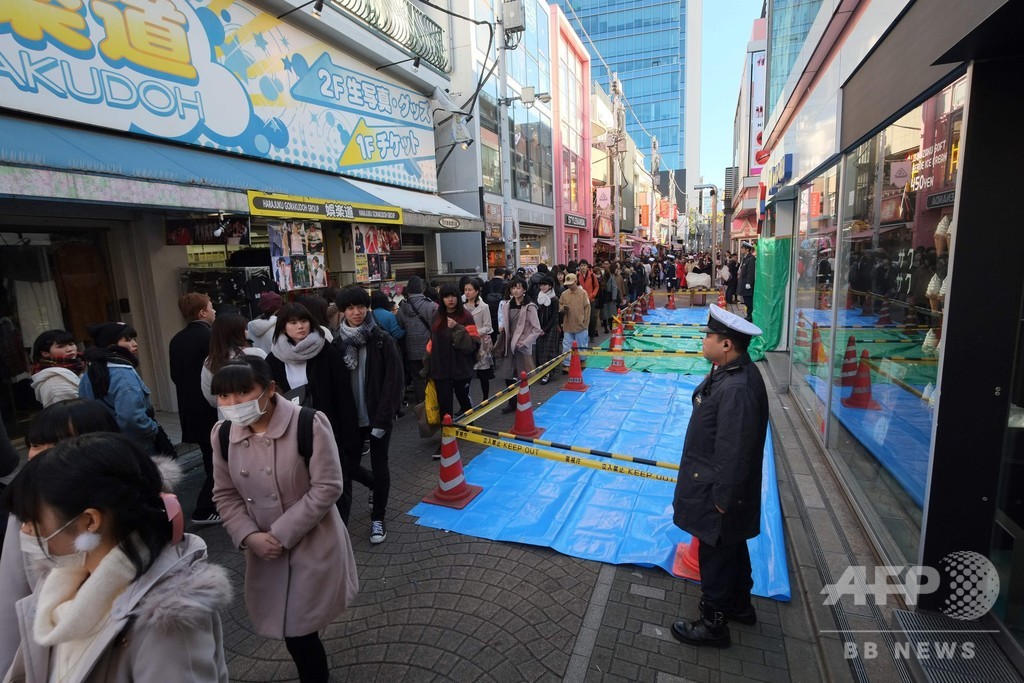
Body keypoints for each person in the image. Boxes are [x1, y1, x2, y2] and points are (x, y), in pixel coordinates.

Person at [3, 433, 232, 681]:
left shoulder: (166, 624)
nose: (24, 530)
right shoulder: (61, 582)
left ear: (89, 521)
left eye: (33, 520)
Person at [212, 356, 358, 682]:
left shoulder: (308, 423)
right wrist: (249, 536)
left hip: (312, 542)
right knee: (297, 632)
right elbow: (225, 494)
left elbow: (328, 487)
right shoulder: (222, 434)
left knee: (299, 633)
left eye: (242, 393)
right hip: (264, 551)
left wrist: (279, 534)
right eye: (223, 396)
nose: (232, 404)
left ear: (270, 389)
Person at [0, 398, 128, 673]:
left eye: (59, 444)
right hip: (55, 656)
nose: (39, 454)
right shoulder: (26, 514)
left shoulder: (138, 504)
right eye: (35, 444)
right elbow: (10, 600)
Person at [671, 305, 769, 649]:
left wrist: (723, 499)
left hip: (718, 488)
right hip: (714, 481)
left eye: (709, 336)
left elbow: (734, 450)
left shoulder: (737, 388)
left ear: (726, 344)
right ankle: (740, 605)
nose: (704, 341)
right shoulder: (730, 373)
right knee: (732, 545)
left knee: (715, 552)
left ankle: (714, 624)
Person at [333, 286, 403, 543]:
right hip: (350, 419)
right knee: (346, 466)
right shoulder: (337, 343)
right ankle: (370, 487)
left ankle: (378, 518)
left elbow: (394, 382)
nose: (356, 312)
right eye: (350, 308)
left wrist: (383, 419)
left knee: (380, 464)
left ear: (367, 307)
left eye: (360, 306)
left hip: (376, 416)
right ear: (343, 311)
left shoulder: (382, 339)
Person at [266, 303, 360, 462]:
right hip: (293, 431)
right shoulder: (274, 359)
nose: (300, 326)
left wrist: (350, 436)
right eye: (293, 322)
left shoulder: (326, 351)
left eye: (304, 321)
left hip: (327, 427)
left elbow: (343, 394)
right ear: (283, 327)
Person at [79, 321, 174, 457]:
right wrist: (153, 429)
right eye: (128, 340)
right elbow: (132, 418)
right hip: (136, 446)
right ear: (110, 344)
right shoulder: (123, 375)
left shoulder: (90, 373)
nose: (135, 344)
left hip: (106, 446)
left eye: (134, 339)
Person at [169, 292, 220, 526]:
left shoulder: (176, 339)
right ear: (202, 312)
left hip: (189, 409)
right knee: (218, 458)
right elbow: (217, 376)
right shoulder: (209, 337)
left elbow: (175, 376)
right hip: (209, 408)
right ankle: (205, 507)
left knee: (209, 455)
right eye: (211, 307)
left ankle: (216, 502)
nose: (214, 310)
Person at [426, 283, 478, 428]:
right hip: (440, 368)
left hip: (460, 367)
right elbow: (432, 340)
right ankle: (447, 436)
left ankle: (469, 426)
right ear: (441, 299)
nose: (450, 299)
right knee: (445, 404)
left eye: (453, 296)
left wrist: (457, 327)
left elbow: (472, 345)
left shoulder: (466, 316)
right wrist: (428, 362)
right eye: (446, 296)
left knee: (463, 399)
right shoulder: (436, 315)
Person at [495, 277, 542, 411]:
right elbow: (504, 321)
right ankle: (512, 403)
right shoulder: (507, 305)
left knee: (524, 375)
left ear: (525, 290)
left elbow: (536, 328)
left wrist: (525, 342)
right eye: (513, 288)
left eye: (518, 287)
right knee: (508, 374)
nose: (515, 291)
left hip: (522, 346)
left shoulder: (530, 307)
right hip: (509, 344)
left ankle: (524, 402)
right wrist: (502, 327)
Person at [201, 313, 268, 406]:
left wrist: (225, 399)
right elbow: (269, 383)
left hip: (226, 413)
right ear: (237, 332)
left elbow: (210, 396)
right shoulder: (256, 353)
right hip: (257, 410)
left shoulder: (210, 360)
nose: (247, 332)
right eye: (244, 329)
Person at [396, 276, 437, 405]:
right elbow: (435, 327)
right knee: (432, 375)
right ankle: (433, 402)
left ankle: (421, 403)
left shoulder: (402, 308)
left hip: (411, 348)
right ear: (423, 288)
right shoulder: (430, 305)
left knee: (417, 378)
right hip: (429, 348)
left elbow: (400, 326)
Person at [29, 329, 84, 407]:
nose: (70, 349)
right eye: (60, 346)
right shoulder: (56, 382)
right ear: (45, 354)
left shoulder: (76, 368)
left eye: (71, 344)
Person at [463, 277, 495, 399]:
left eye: (470, 290)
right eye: (465, 289)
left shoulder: (484, 306)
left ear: (477, 291)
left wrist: (473, 332)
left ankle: (485, 398)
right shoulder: (462, 307)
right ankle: (465, 401)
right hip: (466, 343)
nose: (467, 292)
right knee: (466, 373)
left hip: (481, 344)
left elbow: (488, 326)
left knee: (483, 374)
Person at [558, 273, 590, 373]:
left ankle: (582, 360)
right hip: (568, 323)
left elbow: (587, 308)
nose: (569, 286)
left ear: (576, 281)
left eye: (571, 284)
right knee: (567, 345)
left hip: (581, 324)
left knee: (581, 343)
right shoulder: (564, 294)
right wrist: (563, 309)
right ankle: (567, 364)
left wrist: (585, 323)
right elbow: (560, 306)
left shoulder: (583, 293)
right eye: (568, 284)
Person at [533, 274, 561, 384]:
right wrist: (538, 328)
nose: (542, 287)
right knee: (540, 351)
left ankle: (548, 373)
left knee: (548, 351)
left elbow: (555, 316)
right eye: (541, 285)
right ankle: (541, 372)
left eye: (545, 285)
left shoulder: (554, 299)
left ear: (550, 286)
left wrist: (546, 328)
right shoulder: (538, 298)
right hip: (539, 329)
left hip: (551, 328)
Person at [577, 260, 600, 339]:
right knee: (582, 318)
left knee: (592, 318)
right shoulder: (577, 276)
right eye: (581, 265)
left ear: (587, 266)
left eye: (584, 265)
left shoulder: (592, 275)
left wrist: (593, 295)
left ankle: (592, 335)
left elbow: (597, 286)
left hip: (591, 300)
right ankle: (584, 335)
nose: (583, 267)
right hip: (580, 301)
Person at [738, 241, 757, 321]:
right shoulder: (745, 258)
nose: (741, 249)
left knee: (748, 300)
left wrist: (749, 282)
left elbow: (750, 271)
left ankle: (750, 316)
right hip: (743, 282)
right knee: (745, 300)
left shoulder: (751, 259)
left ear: (747, 250)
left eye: (743, 248)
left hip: (747, 283)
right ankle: (748, 315)